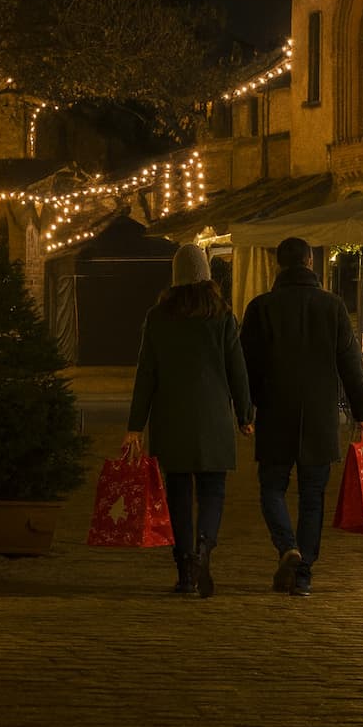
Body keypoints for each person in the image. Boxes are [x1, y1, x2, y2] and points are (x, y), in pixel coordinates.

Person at [239, 236, 363, 598]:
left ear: (278, 265)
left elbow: (246, 365)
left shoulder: (260, 308)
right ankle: (303, 575)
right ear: (310, 263)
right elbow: (350, 366)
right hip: (318, 416)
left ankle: (288, 546)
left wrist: (247, 407)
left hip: (274, 410)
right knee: (313, 495)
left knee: (271, 487)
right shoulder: (332, 307)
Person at [123, 243, 254, 598]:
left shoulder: (158, 316)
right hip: (213, 416)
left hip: (171, 417)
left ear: (175, 276)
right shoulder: (222, 316)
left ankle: (184, 569)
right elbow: (236, 369)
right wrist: (245, 414)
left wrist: (135, 425)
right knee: (213, 489)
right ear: (207, 275)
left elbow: (146, 373)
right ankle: (204, 547)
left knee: (178, 492)